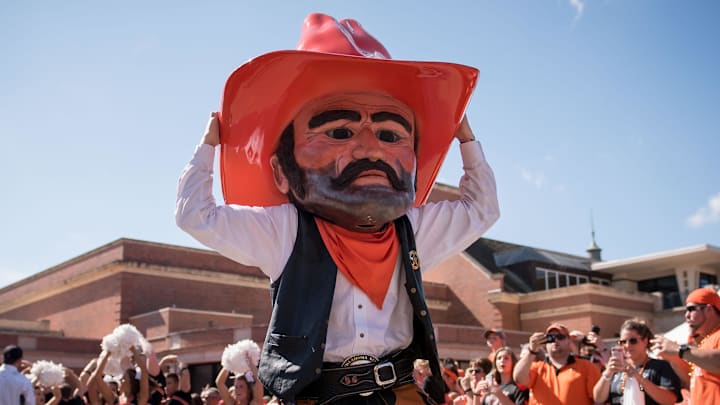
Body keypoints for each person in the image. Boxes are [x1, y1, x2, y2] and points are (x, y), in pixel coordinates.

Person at [175, 12, 499, 405]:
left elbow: (482, 208)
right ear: (281, 171)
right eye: (339, 132)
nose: (369, 149)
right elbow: (196, 215)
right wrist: (208, 146)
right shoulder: (286, 231)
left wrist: (466, 138)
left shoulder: (412, 229)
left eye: (390, 134)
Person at [651, 287, 720, 405]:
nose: (687, 315)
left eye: (691, 309)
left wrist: (680, 350)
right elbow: (692, 380)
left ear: (709, 309)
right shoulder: (704, 342)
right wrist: (674, 358)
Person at [593, 318, 682, 405]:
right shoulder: (617, 369)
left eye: (633, 341)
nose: (627, 345)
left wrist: (639, 378)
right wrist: (608, 373)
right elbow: (598, 398)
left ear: (645, 341)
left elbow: (670, 400)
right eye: (623, 342)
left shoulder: (661, 366)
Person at [513, 322, 600, 405]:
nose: (555, 341)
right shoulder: (537, 367)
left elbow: (599, 399)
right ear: (545, 342)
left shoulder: (586, 367)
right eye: (551, 337)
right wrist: (532, 351)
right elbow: (519, 378)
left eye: (560, 337)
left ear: (569, 341)